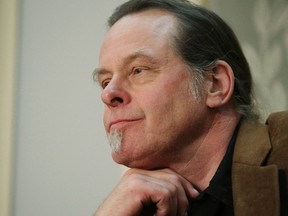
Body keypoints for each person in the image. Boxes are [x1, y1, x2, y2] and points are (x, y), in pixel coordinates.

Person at [93, 0, 288, 215]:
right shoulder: (132, 206)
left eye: (138, 70)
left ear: (215, 84)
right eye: (105, 81)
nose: (107, 94)